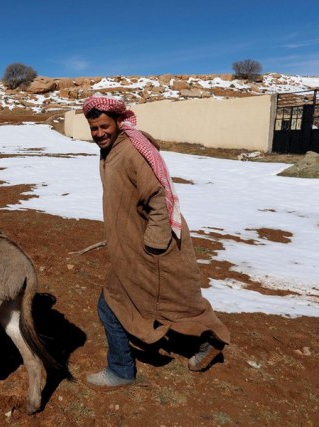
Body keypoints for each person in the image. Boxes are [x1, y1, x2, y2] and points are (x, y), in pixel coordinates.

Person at [82, 93, 230, 389]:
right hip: (134, 248)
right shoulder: (114, 150)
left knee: (115, 304)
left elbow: (158, 198)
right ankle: (205, 341)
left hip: (153, 250)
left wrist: (152, 246)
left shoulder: (132, 152)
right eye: (94, 129)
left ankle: (122, 370)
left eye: (103, 127)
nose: (99, 134)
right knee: (173, 302)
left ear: (118, 122)